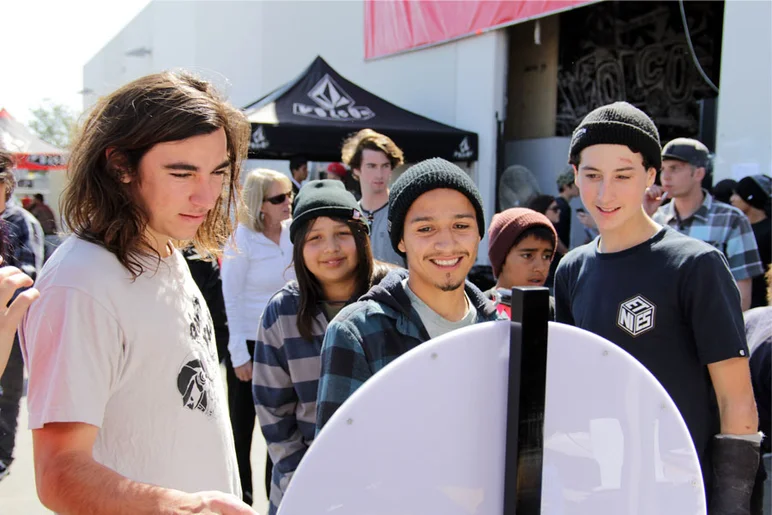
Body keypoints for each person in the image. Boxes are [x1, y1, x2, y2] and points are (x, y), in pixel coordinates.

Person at [19, 71, 257, 514]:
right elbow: (59, 472)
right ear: (120, 166)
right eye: (182, 173)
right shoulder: (81, 284)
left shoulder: (166, 251)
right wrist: (183, 507)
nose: (206, 196)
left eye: (218, 173)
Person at [555, 101, 761, 512]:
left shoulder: (695, 265)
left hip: (682, 491)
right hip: (602, 493)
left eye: (623, 175)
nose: (604, 192)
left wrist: (729, 503)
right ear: (575, 176)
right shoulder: (571, 270)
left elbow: (736, 400)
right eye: (592, 175)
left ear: (650, 177)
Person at [316, 158, 503, 431]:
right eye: (425, 229)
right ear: (400, 239)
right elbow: (337, 460)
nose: (446, 244)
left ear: (479, 233)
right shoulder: (358, 333)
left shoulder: (501, 330)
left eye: (461, 226)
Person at [253, 180, 391, 514]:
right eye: (314, 237)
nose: (330, 247)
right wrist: (308, 484)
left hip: (387, 485)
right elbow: (275, 415)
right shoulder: (282, 312)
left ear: (362, 236)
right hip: (305, 489)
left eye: (342, 233)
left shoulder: (395, 297)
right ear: (299, 248)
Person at [221, 168, 295, 506]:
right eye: (279, 198)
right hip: (250, 345)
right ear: (260, 204)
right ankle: (240, 502)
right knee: (242, 429)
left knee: (281, 429)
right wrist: (239, 355)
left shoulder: (295, 233)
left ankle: (275, 502)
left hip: (287, 343)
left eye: (289, 194)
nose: (288, 202)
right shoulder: (241, 240)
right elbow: (231, 299)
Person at [649, 137, 764, 311]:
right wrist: (642, 213)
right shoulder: (655, 218)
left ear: (698, 174)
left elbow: (742, 294)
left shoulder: (731, 220)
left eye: (674, 168)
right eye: (663, 169)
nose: (665, 177)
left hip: (711, 328)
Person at [0, 155, 44, 481]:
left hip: (11, 322)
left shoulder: (21, 222)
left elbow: (30, 274)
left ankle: (3, 455)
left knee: (8, 392)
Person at [341, 128, 405, 267]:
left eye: (385, 166)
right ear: (356, 169)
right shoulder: (348, 216)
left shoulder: (403, 212)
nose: (379, 174)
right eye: (372, 166)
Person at [486, 208, 558, 318]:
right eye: (527, 255)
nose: (540, 267)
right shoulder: (475, 310)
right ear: (501, 258)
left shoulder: (558, 314)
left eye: (546, 256)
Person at [731, 175, 772, 309]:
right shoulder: (735, 227)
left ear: (750, 197)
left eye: (738, 194)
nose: (732, 199)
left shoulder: (768, 230)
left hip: (761, 304)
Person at [547, 167, 579, 288]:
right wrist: (567, 253)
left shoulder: (559, 204)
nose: (579, 187)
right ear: (567, 186)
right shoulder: (562, 207)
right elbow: (553, 232)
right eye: (575, 184)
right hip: (556, 263)